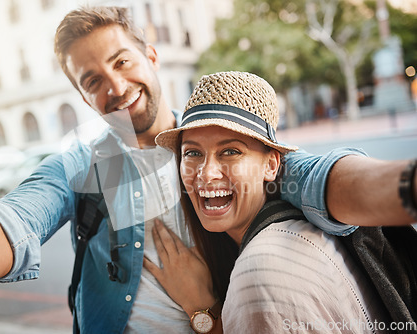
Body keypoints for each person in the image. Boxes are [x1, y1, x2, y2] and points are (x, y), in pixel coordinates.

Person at [0, 6, 416, 334]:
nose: (114, 85)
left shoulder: (210, 142)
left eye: (121, 61)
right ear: (82, 95)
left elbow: (318, 178)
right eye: (92, 79)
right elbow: (16, 220)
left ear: (151, 56)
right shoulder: (86, 165)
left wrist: (406, 184)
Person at [148, 71, 416, 333]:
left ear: (272, 164)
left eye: (230, 151)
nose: (206, 173)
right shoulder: (290, 226)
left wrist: (201, 309)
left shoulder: (258, 273)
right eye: (193, 153)